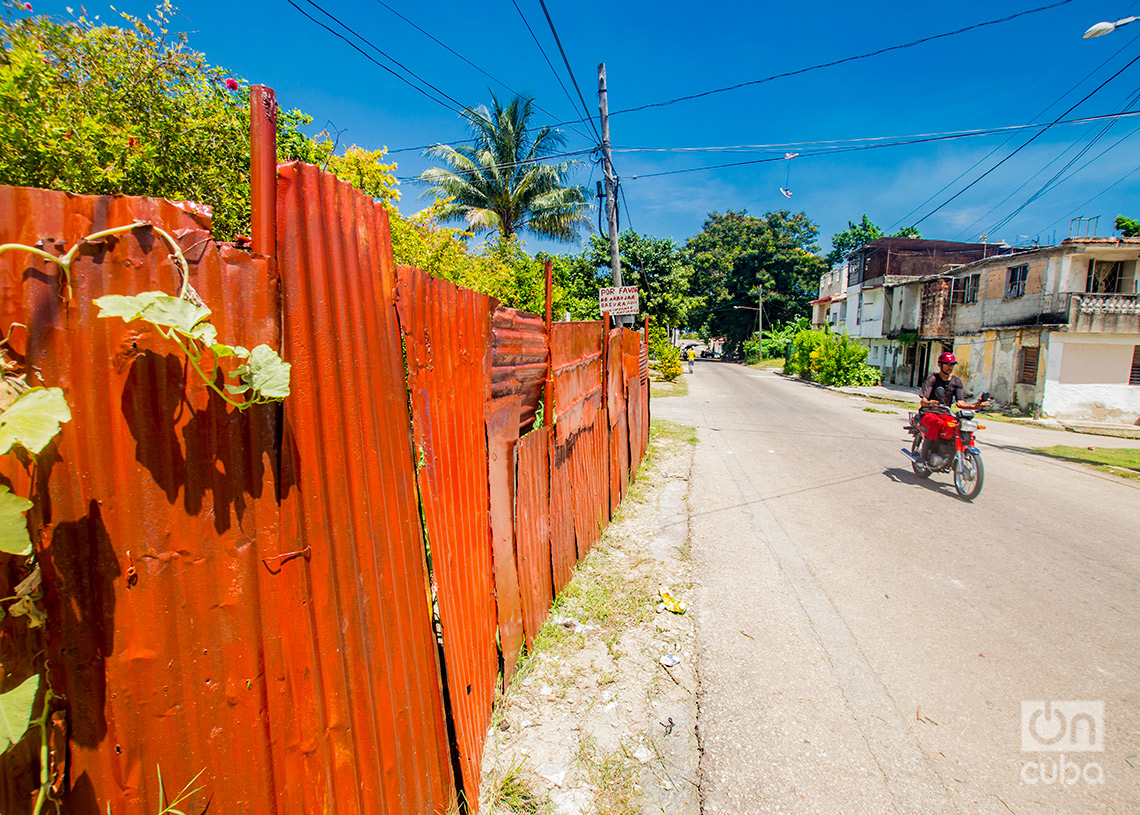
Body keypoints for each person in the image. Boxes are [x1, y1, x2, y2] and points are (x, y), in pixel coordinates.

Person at [917, 351, 988, 463]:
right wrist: (930, 403)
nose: (950, 367)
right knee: (936, 424)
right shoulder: (933, 379)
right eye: (948, 364)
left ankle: (951, 452)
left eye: (952, 365)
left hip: (945, 413)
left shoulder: (956, 382)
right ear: (940, 365)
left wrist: (975, 405)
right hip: (929, 412)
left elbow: (960, 403)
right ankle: (923, 457)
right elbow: (923, 400)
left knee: (958, 426)